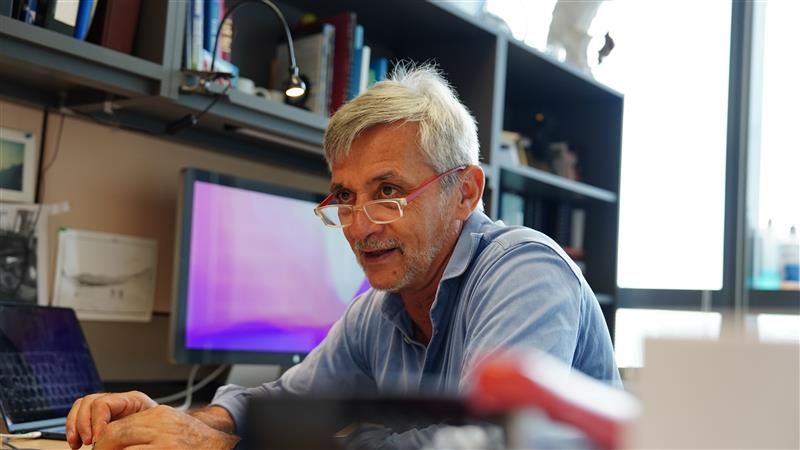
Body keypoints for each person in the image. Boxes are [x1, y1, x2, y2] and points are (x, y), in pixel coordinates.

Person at [66, 64, 620, 450]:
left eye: (387, 192)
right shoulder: (379, 310)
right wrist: (172, 422)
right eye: (346, 197)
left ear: (466, 193)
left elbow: (480, 443)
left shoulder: (524, 270)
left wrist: (228, 444)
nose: (358, 227)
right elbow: (282, 398)